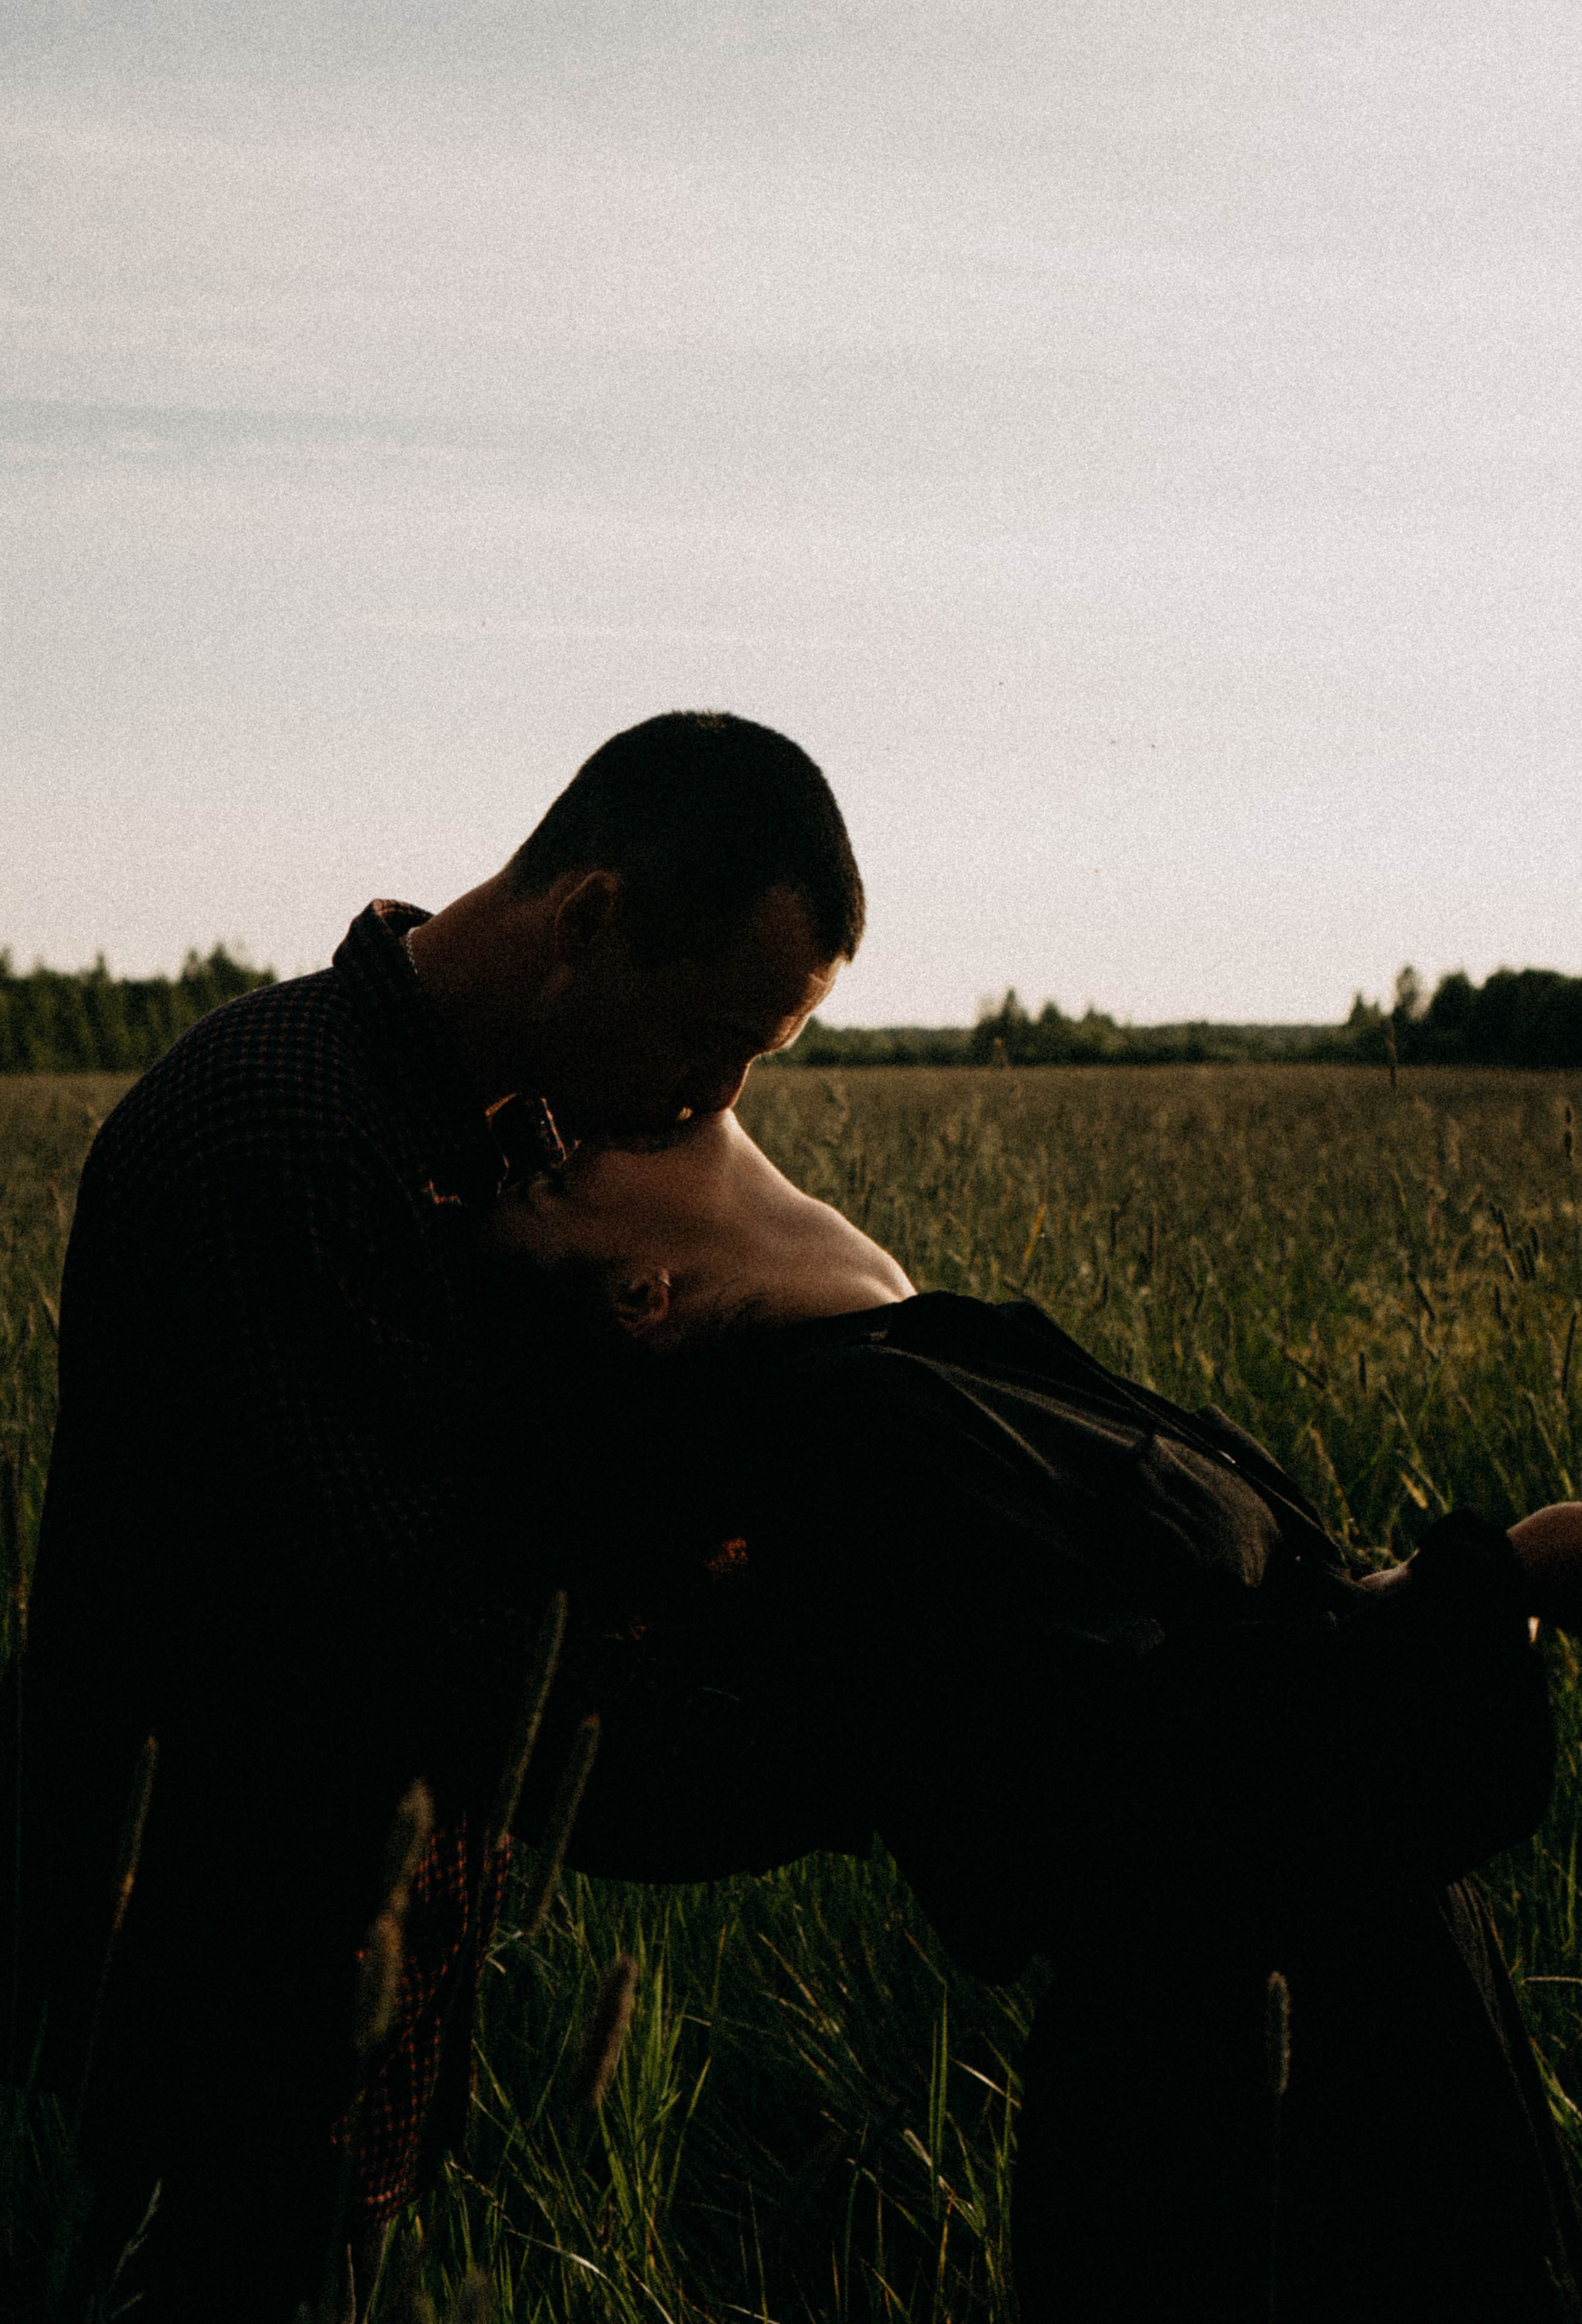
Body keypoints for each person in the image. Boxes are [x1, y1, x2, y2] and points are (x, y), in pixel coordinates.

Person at [2, 710, 865, 2322]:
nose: (718, 1102)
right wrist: (850, 1753)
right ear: (590, 921)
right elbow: (427, 1653)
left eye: (765, 1057)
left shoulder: (507, 1148)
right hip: (208, 2057)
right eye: (713, 1036)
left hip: (354, 2036)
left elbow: (518, 1525)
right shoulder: (278, 1143)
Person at [488, 1111, 1582, 2323]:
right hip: (1258, 2130)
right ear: (644, 1289)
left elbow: (1210, 1643)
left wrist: (1401, 1605)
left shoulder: (921, 1362)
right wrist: (1508, 1577)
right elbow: (1144, 1784)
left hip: (1365, 2038)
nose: (662, 1097)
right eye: (559, 1157)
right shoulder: (837, 1443)